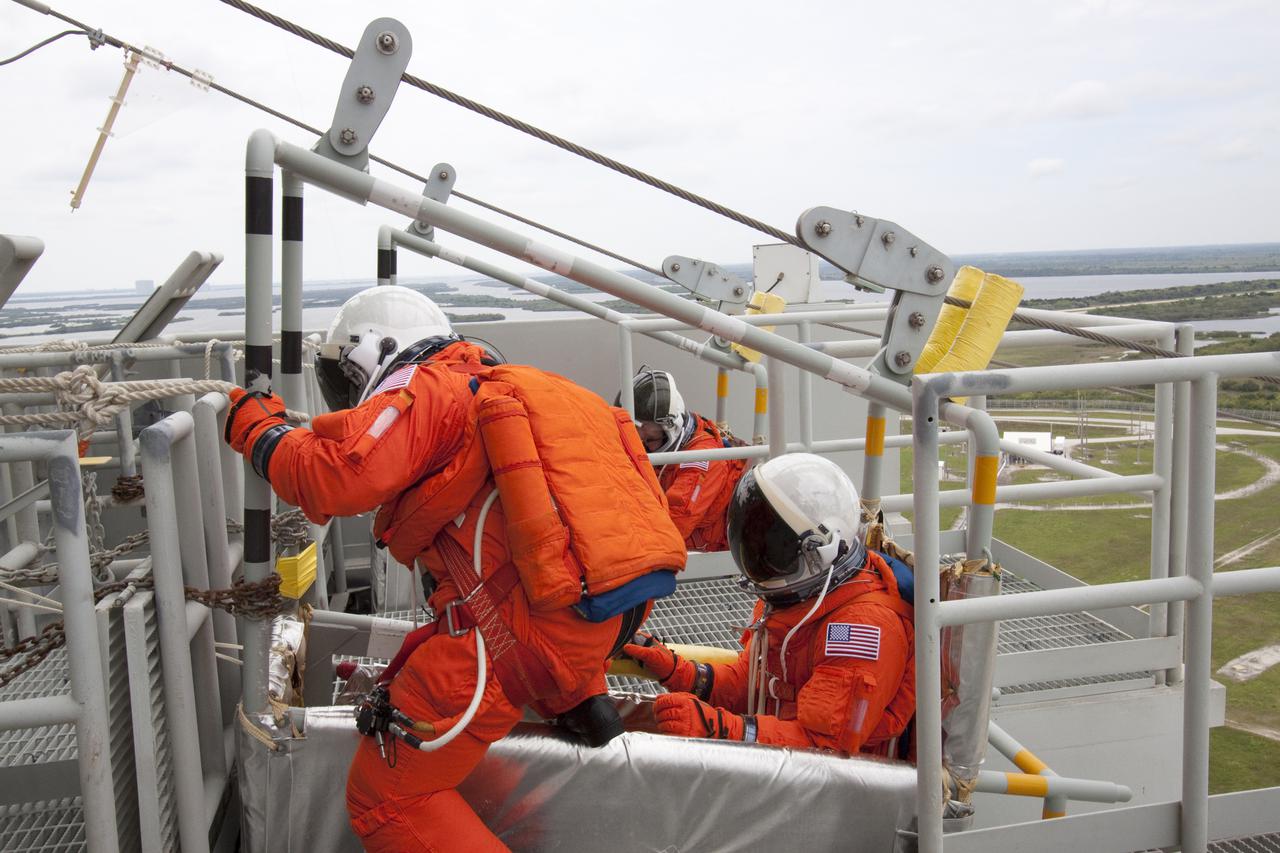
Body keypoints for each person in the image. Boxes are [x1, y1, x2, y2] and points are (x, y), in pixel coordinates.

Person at [223, 285, 686, 852]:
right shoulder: (519, 386)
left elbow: (340, 477)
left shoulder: (428, 389)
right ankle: (576, 697)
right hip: (599, 616)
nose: (351, 396)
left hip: (511, 636)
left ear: (377, 350)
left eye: (346, 378)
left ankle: (557, 686)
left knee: (386, 796)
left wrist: (260, 431)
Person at [624, 453, 915, 757]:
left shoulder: (860, 629)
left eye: (771, 546)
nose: (759, 553)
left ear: (819, 551)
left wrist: (723, 729)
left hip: (845, 791)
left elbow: (825, 749)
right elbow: (752, 684)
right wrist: (680, 673)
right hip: (781, 767)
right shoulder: (800, 600)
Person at [621, 366, 747, 552]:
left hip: (705, 554)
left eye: (651, 440)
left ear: (671, 430)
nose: (645, 447)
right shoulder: (682, 442)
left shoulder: (701, 460)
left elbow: (674, 525)